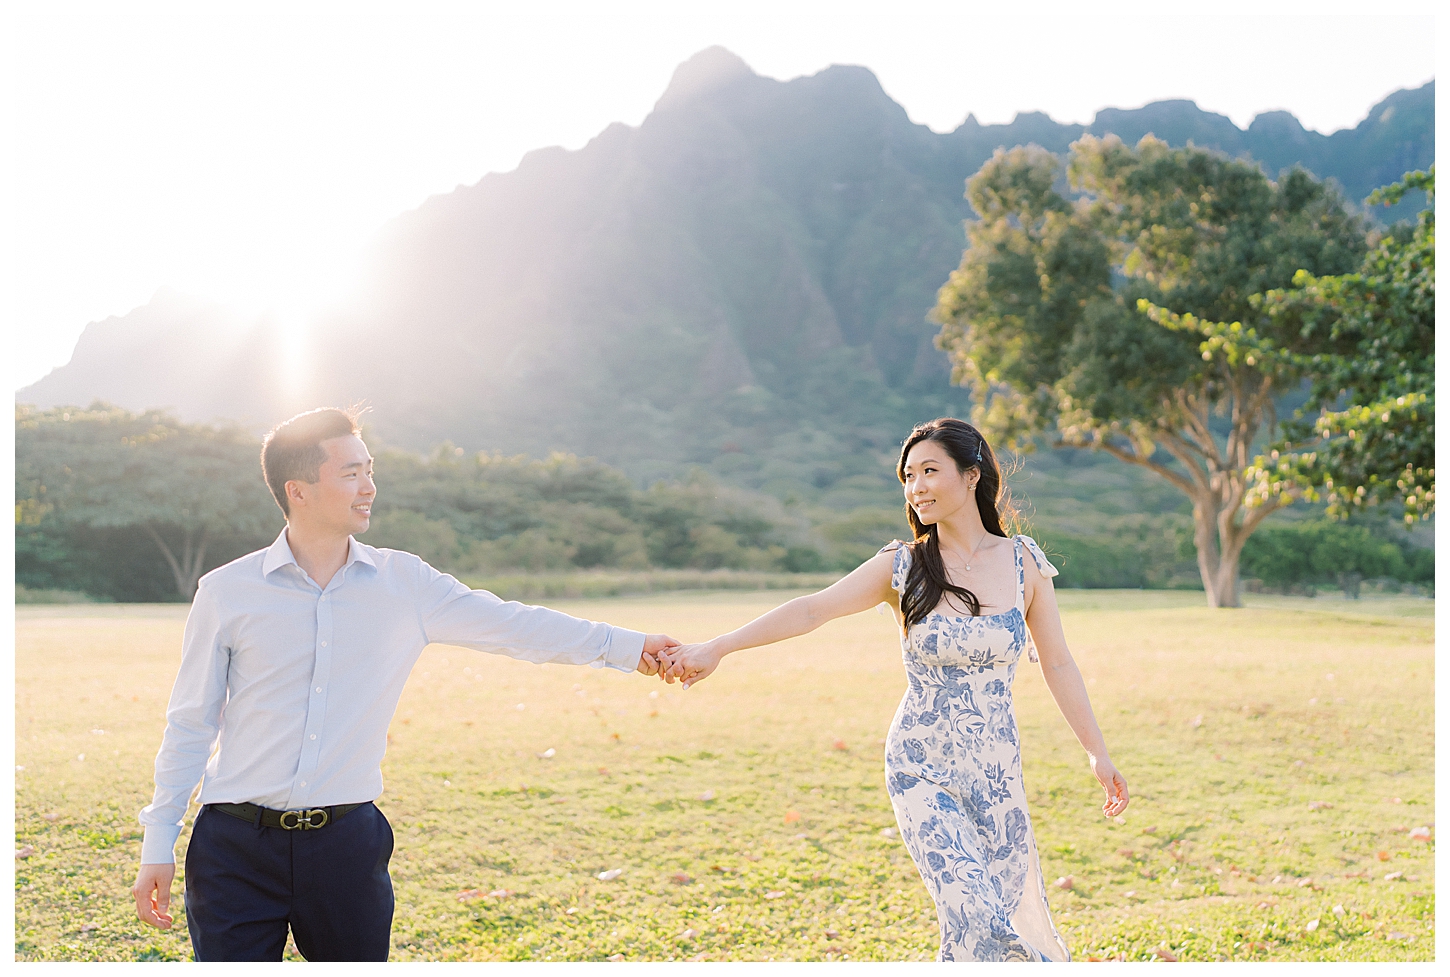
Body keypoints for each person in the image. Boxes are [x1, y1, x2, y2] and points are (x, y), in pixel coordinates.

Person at [131, 407, 679, 961]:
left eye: (369, 470)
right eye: (350, 473)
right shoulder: (227, 591)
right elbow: (191, 723)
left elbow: (514, 625)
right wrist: (159, 843)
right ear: (297, 490)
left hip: (346, 844)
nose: (369, 487)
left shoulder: (405, 584)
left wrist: (630, 647)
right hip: (234, 849)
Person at [659, 417, 1129, 962]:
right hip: (919, 765)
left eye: (930, 471)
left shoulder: (1024, 564)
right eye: (908, 476)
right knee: (975, 909)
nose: (917, 487)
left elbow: (1059, 664)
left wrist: (1097, 751)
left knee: (984, 921)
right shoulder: (903, 565)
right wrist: (717, 646)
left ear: (972, 475)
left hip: (996, 770)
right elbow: (812, 608)